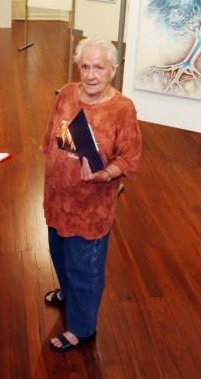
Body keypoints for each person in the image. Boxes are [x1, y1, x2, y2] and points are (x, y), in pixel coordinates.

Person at [40, 37, 142, 352]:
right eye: (85, 66)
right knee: (60, 255)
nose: (91, 74)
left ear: (113, 69)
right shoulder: (68, 92)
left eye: (99, 67)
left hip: (90, 208)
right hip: (58, 199)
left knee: (85, 268)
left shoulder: (122, 108)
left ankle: (82, 328)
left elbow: (129, 158)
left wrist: (105, 174)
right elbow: (52, 133)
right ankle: (69, 295)